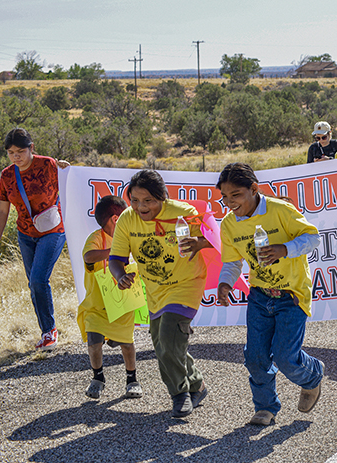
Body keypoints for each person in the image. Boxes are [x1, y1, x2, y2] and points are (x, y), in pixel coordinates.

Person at [215, 163, 324, 427]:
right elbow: (232, 262)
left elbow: (312, 238)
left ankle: (312, 377)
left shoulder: (281, 210)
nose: (229, 202)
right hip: (259, 297)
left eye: (236, 195)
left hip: (291, 296)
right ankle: (265, 407)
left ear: (254, 189)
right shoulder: (229, 224)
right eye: (224, 197)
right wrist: (225, 283)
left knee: (285, 356)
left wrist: (284, 249)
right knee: (255, 356)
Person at [108, 170, 211, 418]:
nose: (140, 206)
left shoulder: (182, 213)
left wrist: (199, 243)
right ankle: (197, 384)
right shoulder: (127, 220)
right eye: (134, 200)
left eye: (148, 201)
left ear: (162, 197)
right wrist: (120, 275)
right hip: (154, 289)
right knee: (163, 344)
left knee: (167, 338)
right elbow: (116, 259)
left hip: (187, 283)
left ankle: (180, 395)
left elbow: (216, 237)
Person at [0, 128, 70, 351]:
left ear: (31, 148)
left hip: (53, 230)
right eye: (11, 152)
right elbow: (2, 211)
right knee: (34, 284)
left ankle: (50, 332)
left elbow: (71, 183)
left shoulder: (49, 165)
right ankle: (46, 330)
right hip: (25, 234)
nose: (16, 156)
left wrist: (66, 169)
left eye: (21, 151)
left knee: (38, 280)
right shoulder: (7, 175)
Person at [77, 195, 143, 400]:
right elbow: (88, 257)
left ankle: (132, 380)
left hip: (122, 302)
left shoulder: (129, 237)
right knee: (93, 342)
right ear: (116, 219)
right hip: (96, 306)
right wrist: (113, 253)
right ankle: (98, 378)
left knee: (126, 343)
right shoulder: (96, 238)